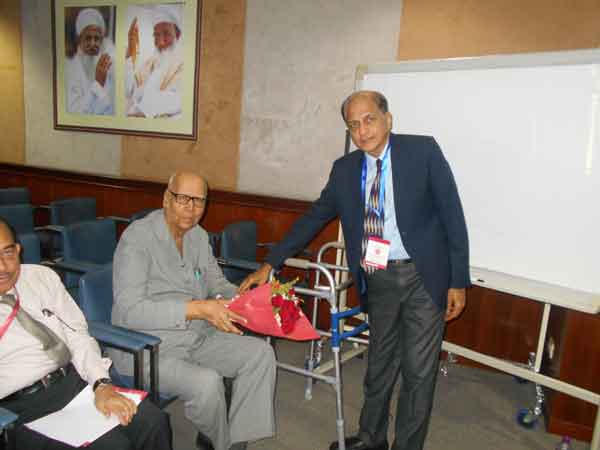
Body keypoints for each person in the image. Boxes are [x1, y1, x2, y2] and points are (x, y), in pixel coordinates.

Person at [240, 90, 470, 450]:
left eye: (369, 120)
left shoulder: (422, 152)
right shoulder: (345, 170)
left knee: (418, 372)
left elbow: (453, 215)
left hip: (424, 277)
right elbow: (314, 217)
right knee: (379, 364)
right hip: (378, 277)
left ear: (387, 119)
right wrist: (272, 262)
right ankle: (371, 438)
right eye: (353, 125)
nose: (362, 131)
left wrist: (457, 280)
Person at [111, 172, 276, 450]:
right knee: (207, 383)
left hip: (197, 335)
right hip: (147, 347)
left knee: (260, 354)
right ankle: (221, 443)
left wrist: (251, 299)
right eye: (183, 199)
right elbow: (130, 311)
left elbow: (217, 284)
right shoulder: (137, 239)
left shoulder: (198, 236)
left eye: (199, 201)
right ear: (166, 198)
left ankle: (237, 437)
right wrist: (197, 309)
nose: (191, 208)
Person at [0, 219, 171, 450]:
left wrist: (101, 384)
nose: (3, 267)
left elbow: (77, 335)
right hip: (21, 407)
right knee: (115, 446)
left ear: (18, 250)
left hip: (72, 382)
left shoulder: (41, 278)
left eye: (7, 253)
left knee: (154, 422)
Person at [125, 4, 184, 118]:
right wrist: (130, 53)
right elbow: (129, 90)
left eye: (166, 33)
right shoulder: (150, 63)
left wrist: (143, 111)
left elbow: (178, 98)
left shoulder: (183, 63)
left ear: (177, 35)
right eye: (156, 35)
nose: (161, 42)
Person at [65, 7, 115, 115]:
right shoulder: (70, 67)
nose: (93, 43)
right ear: (79, 39)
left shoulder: (105, 66)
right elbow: (75, 112)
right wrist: (98, 84)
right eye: (88, 38)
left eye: (96, 39)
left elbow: (109, 106)